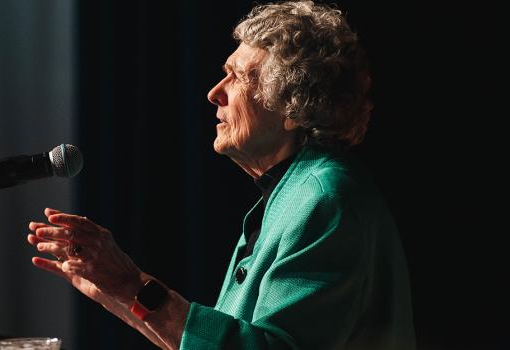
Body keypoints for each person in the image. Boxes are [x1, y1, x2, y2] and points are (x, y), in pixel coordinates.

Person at [27, 1, 415, 349]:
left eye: (239, 77)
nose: (215, 92)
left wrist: (132, 285)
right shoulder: (292, 193)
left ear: (295, 104)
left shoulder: (325, 199)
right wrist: (113, 289)